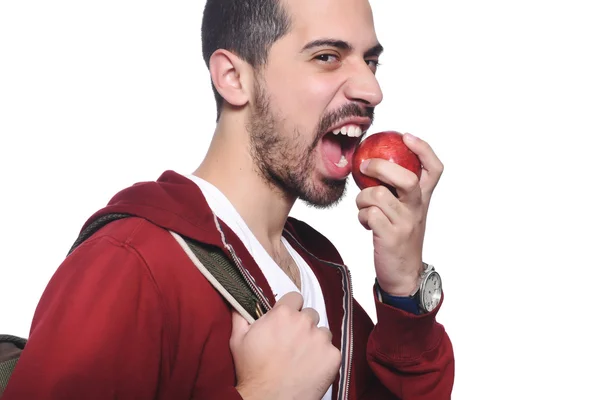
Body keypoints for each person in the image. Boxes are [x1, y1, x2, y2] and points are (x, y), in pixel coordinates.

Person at [3, 0, 454, 398]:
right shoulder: (133, 260)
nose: (371, 90)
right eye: (327, 57)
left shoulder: (320, 270)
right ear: (234, 77)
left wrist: (404, 290)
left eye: (370, 62)